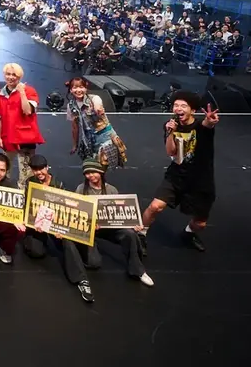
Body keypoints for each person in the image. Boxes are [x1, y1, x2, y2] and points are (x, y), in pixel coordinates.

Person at [140, 91, 220, 252]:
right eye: (176, 105)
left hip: (200, 179)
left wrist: (210, 121)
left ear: (193, 110)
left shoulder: (199, 127)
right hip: (176, 174)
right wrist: (169, 133)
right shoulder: (170, 125)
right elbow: (170, 152)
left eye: (183, 106)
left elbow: (207, 125)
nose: (178, 108)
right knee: (155, 206)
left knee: (200, 223)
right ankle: (140, 234)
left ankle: (188, 234)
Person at [18, 154, 94, 303]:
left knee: (67, 242)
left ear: (47, 168)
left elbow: (68, 208)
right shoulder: (30, 182)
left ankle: (82, 280)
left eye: (41, 169)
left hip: (56, 223)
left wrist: (62, 228)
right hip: (39, 224)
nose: (39, 173)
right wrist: (33, 224)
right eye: (35, 170)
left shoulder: (59, 183)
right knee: (36, 252)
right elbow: (27, 206)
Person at [74, 159, 153, 287]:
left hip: (109, 228)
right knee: (93, 263)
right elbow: (77, 211)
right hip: (90, 229)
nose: (91, 175)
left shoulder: (111, 189)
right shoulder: (81, 189)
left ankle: (138, 271)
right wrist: (89, 223)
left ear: (100, 172)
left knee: (130, 234)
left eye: (93, 171)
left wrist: (133, 224)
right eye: (87, 173)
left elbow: (120, 213)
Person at [0, 63, 44, 184]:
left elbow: (27, 110)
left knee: (25, 173)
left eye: (14, 75)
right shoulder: (0, 94)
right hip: (7, 137)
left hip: (25, 138)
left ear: (19, 76)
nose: (10, 77)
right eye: (8, 74)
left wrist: (22, 93)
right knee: (4, 169)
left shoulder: (29, 91)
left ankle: (24, 197)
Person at [65, 76, 127, 168]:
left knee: (103, 165)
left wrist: (98, 110)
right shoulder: (71, 106)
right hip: (88, 140)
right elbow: (75, 127)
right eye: (75, 87)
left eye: (81, 87)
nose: (78, 90)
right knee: (91, 167)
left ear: (86, 88)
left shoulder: (94, 98)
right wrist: (75, 144)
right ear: (70, 90)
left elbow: (98, 107)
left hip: (104, 136)